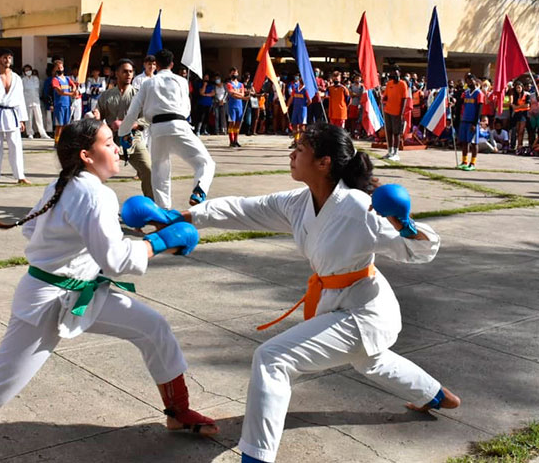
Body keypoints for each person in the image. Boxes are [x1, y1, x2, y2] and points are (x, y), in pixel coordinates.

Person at [0, 119, 218, 463]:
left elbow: (33, 231)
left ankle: (178, 411)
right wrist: (160, 240)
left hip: (85, 290)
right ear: (87, 155)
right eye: (109, 143)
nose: (118, 147)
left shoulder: (67, 184)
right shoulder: (93, 193)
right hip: (47, 301)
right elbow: (117, 260)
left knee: (153, 328)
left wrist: (94, 238)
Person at [146, 122, 460, 463]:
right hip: (338, 302)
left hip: (365, 310)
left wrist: (406, 224)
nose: (292, 155)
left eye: (301, 150)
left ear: (324, 162)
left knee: (273, 359)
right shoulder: (298, 202)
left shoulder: (358, 208)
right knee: (370, 360)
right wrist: (184, 215)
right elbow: (244, 208)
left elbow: (416, 252)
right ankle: (436, 395)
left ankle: (255, 458)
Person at [119, 49, 216, 208]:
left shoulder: (148, 83)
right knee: (205, 163)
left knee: (160, 172)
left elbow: (133, 111)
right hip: (179, 125)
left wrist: (123, 133)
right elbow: (186, 108)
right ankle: (199, 190)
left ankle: (164, 211)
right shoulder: (181, 81)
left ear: (156, 64)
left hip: (157, 129)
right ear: (172, 64)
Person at [97, 58, 154, 199]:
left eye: (131, 72)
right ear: (117, 73)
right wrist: (96, 115)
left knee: (148, 170)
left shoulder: (139, 95)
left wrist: (130, 124)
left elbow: (147, 118)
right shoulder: (106, 95)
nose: (128, 74)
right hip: (110, 141)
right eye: (125, 71)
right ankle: (92, 203)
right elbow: (98, 115)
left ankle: (152, 204)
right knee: (91, 171)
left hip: (133, 139)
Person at [0, 49, 30, 185]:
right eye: (5, 57)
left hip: (13, 114)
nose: (7, 60)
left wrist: (21, 119)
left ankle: (20, 175)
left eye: (9, 57)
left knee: (16, 146)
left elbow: (21, 99)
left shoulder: (16, 78)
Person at [457, 74, 484, 170]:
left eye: (470, 80)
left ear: (474, 81)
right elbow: (460, 104)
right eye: (467, 81)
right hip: (464, 120)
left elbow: (479, 109)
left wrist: (475, 122)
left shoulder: (479, 93)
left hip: (472, 121)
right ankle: (464, 161)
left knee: (473, 143)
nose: (469, 82)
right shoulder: (466, 93)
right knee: (464, 142)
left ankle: (472, 163)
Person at [382, 67, 409, 161]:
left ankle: (396, 152)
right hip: (388, 110)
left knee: (396, 132)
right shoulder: (389, 83)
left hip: (397, 112)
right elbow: (385, 96)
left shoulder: (403, 84)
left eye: (397, 75)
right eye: (394, 75)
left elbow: (404, 98)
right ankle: (390, 151)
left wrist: (401, 113)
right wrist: (383, 98)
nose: (395, 77)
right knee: (388, 131)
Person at [22, 64, 51, 140]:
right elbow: (24, 89)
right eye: (26, 70)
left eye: (29, 70)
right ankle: (30, 133)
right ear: (24, 72)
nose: (28, 71)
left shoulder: (35, 78)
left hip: (36, 100)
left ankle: (42, 133)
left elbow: (36, 88)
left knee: (39, 117)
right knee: (29, 118)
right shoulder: (23, 80)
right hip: (27, 101)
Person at [51, 59, 76, 146]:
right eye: (58, 67)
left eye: (61, 67)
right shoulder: (55, 79)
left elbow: (73, 85)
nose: (60, 69)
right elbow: (60, 91)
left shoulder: (67, 78)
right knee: (59, 125)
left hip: (67, 104)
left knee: (66, 125)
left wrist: (74, 89)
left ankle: (64, 141)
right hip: (59, 105)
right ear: (55, 69)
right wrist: (71, 94)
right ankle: (57, 142)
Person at [287, 75, 310, 148]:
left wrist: (305, 105)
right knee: (294, 125)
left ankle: (301, 142)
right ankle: (296, 141)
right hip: (295, 109)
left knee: (302, 126)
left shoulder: (305, 90)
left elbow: (310, 100)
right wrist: (287, 106)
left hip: (302, 109)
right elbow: (291, 98)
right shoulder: (296, 88)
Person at [226, 67, 246, 148]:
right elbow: (231, 93)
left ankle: (236, 140)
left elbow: (242, 94)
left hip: (239, 106)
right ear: (230, 74)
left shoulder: (241, 84)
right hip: (232, 106)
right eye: (233, 73)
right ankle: (231, 140)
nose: (234, 74)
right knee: (232, 123)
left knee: (238, 124)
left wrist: (239, 94)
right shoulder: (229, 84)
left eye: (236, 73)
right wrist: (241, 95)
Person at [511, 82, 530, 152]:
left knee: (521, 131)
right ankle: (516, 145)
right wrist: (517, 107)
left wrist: (518, 107)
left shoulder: (526, 95)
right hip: (517, 114)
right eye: (517, 88)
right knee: (517, 130)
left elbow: (527, 105)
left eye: (519, 87)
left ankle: (520, 145)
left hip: (524, 114)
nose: (518, 89)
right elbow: (513, 106)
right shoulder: (514, 96)